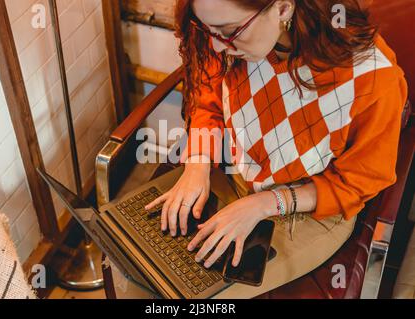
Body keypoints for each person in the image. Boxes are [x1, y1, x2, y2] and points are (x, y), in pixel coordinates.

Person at [145, 0, 408, 297]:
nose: (217, 47)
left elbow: (358, 182)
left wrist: (264, 204)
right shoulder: (227, 36)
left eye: (229, 31)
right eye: (209, 30)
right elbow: (209, 100)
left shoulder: (372, 78)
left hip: (307, 207)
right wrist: (197, 164)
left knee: (195, 294)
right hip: (235, 168)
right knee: (145, 257)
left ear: (283, 8)